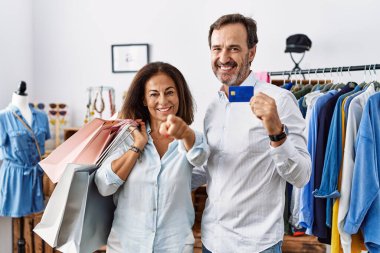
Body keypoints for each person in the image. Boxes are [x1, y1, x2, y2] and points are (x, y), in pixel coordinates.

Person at [192, 14, 312, 253]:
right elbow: (207, 169)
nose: (223, 57)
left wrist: (277, 132)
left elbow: (301, 176)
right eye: (217, 48)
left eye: (233, 48)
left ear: (251, 53)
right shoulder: (211, 106)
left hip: (257, 246)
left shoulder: (280, 100)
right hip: (211, 242)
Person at [95, 62, 209, 253]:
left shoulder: (191, 138)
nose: (163, 101)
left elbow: (203, 162)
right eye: (154, 94)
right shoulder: (126, 136)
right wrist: (137, 147)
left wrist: (185, 135)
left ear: (179, 95)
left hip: (174, 246)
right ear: (144, 100)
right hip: (127, 246)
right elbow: (105, 185)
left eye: (170, 92)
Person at [0, 81, 50, 217]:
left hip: (36, 177)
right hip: (15, 178)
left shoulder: (42, 116)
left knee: (36, 216)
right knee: (17, 219)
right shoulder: (3, 118)